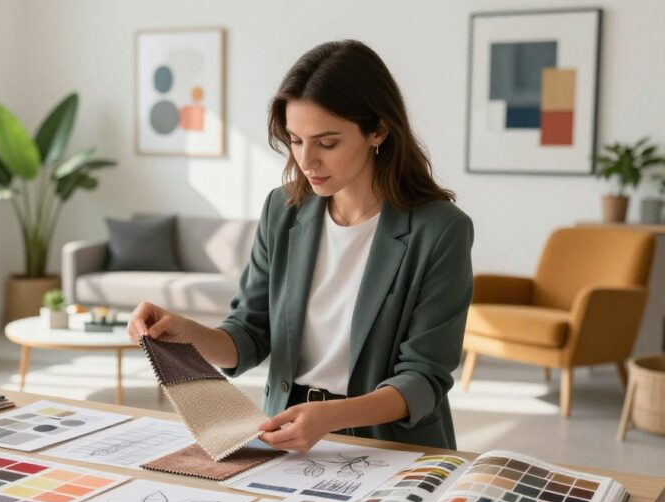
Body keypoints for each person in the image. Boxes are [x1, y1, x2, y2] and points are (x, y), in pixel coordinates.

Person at [127, 39, 473, 451]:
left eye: (327, 143)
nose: (307, 161)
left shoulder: (440, 230)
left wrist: (334, 416)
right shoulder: (283, 209)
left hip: (391, 446)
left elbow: (424, 378)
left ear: (378, 130)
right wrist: (186, 333)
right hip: (286, 436)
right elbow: (250, 333)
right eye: (295, 140)